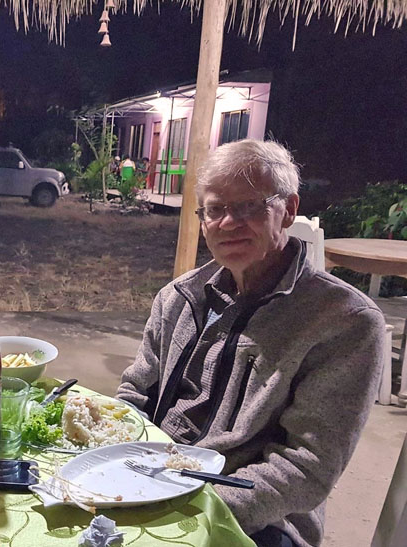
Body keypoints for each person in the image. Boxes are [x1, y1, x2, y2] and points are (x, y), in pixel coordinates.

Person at [116, 139, 386, 547]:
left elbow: (305, 467)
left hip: (253, 519)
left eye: (248, 207)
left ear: (289, 209)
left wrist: (187, 509)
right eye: (215, 209)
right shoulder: (178, 297)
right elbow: (135, 392)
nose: (228, 223)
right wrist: (106, 452)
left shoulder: (343, 322)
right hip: (147, 478)